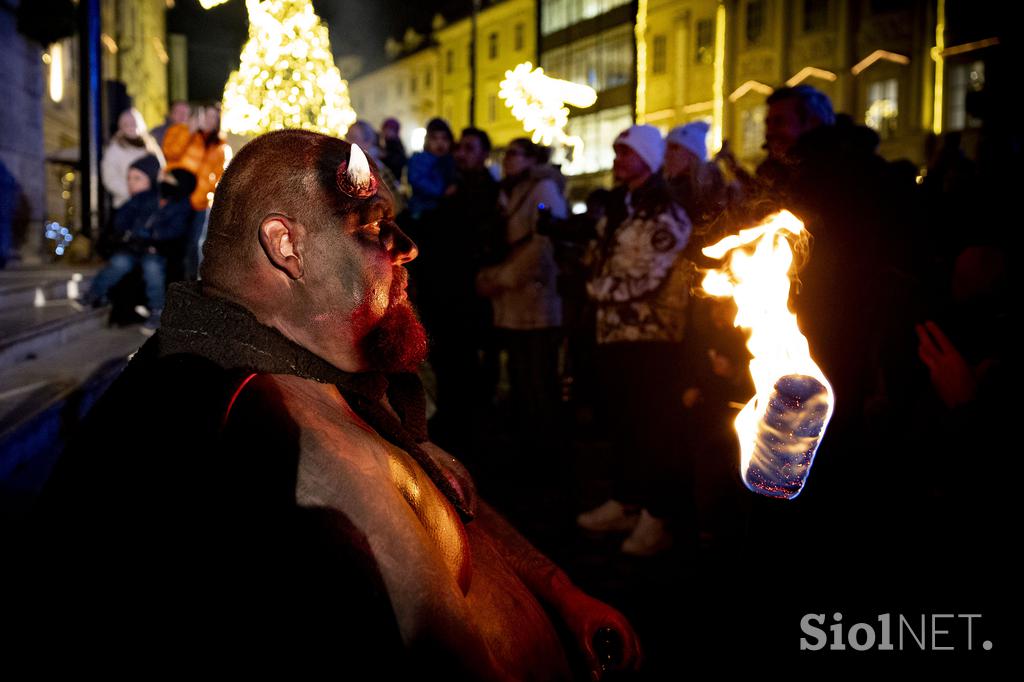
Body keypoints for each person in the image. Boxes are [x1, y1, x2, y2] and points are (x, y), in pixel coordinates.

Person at [30, 129, 640, 677]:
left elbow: (448, 500)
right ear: (285, 246)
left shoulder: (311, 371)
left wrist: (558, 591)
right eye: (373, 226)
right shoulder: (282, 428)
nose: (406, 248)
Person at [577, 125, 694, 556]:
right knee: (623, 421)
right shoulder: (622, 207)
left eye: (625, 153)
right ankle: (626, 501)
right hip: (615, 331)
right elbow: (602, 256)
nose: (616, 159)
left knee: (653, 427)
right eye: (616, 152)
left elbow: (650, 274)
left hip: (652, 336)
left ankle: (658, 515)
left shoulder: (665, 212)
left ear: (647, 159)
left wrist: (598, 291)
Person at [476, 137, 566, 444]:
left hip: (535, 302)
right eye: (506, 154)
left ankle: (546, 451)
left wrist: (503, 277)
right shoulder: (509, 191)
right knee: (520, 378)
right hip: (514, 302)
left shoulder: (542, 190)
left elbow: (544, 245)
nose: (507, 159)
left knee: (538, 380)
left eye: (514, 154)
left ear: (531, 159)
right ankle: (528, 446)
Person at [76, 155, 195, 333]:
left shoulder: (183, 207)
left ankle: (157, 309)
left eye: (170, 180)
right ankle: (93, 294)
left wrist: (153, 236)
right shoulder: (147, 197)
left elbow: (176, 230)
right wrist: (126, 232)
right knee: (118, 263)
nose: (165, 182)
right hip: (132, 245)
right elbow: (125, 213)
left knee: (152, 268)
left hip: (155, 248)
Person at [162, 103, 229, 279]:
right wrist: (188, 132)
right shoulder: (185, 132)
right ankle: (173, 283)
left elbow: (219, 177)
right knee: (176, 242)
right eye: (206, 116)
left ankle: (194, 282)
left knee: (196, 243)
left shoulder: (220, 146)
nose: (209, 120)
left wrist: (203, 194)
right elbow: (171, 155)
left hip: (200, 202)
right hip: (179, 197)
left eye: (214, 118)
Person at [101, 107, 164, 211]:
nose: (130, 126)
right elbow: (110, 178)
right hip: (127, 204)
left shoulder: (151, 146)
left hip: (152, 204)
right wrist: (132, 192)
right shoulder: (114, 149)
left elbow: (161, 171)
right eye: (126, 124)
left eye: (133, 122)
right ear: (120, 127)